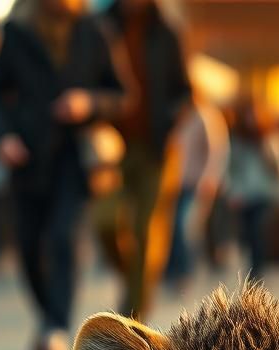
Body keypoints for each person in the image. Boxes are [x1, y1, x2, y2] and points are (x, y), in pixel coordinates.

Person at [0, 0, 131, 350]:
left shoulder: (95, 32)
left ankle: (55, 328)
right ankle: (49, 318)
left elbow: (122, 95)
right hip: (27, 156)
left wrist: (90, 102)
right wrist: (2, 136)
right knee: (30, 246)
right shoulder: (17, 32)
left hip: (74, 158)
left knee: (64, 237)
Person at [95, 0, 190, 320]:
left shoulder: (167, 32)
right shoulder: (100, 26)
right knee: (105, 221)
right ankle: (133, 279)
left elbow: (184, 91)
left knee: (147, 231)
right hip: (111, 148)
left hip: (155, 148)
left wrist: (170, 120)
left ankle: (135, 312)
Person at [163, 95, 229, 293]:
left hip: (195, 184)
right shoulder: (177, 115)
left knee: (185, 227)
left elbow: (215, 151)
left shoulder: (205, 115)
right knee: (172, 228)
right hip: (174, 183)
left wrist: (209, 178)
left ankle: (185, 272)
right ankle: (174, 271)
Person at [225, 99, 279, 282]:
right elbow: (230, 168)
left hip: (264, 193)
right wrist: (232, 192)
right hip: (243, 195)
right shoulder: (236, 140)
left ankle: (258, 267)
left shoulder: (269, 138)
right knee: (247, 233)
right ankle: (253, 264)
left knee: (258, 230)